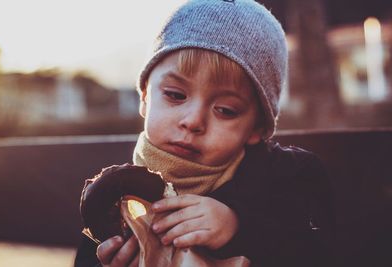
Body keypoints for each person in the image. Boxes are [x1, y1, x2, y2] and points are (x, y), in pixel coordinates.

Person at [74, 0, 335, 266]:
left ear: (257, 128)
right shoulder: (116, 199)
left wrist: (238, 228)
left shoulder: (289, 178)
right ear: (144, 97)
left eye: (225, 110)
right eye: (175, 95)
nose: (193, 121)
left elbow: (318, 251)